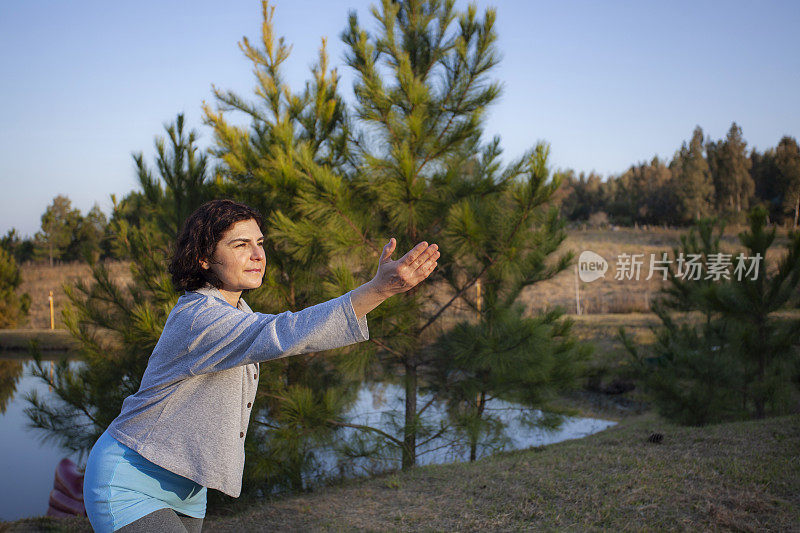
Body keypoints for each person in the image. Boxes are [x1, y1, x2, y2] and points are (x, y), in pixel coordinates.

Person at [83, 199, 440, 532]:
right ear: (204, 258)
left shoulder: (236, 312)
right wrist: (378, 290)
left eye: (259, 242)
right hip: (131, 479)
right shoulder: (198, 317)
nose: (257, 255)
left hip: (189, 485)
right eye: (240, 245)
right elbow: (285, 332)